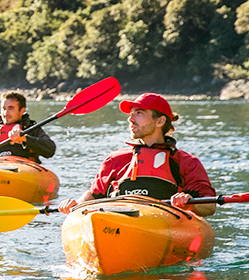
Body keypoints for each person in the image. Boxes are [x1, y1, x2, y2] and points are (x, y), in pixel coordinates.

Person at [58, 92, 216, 215]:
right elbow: (94, 195)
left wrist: (188, 200)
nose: (130, 119)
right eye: (131, 114)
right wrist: (77, 204)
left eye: (139, 113)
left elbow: (209, 206)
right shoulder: (115, 159)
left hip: (164, 222)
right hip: (118, 221)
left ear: (159, 121)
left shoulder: (185, 161)